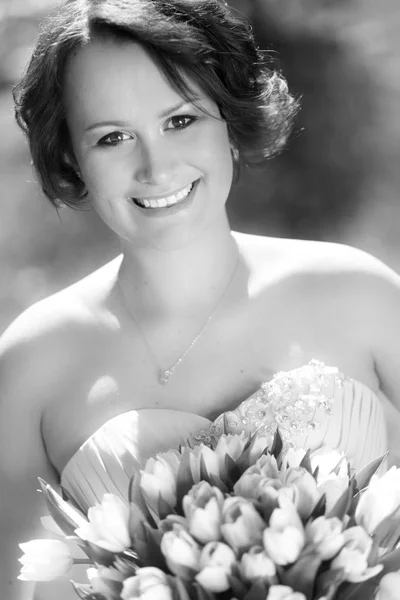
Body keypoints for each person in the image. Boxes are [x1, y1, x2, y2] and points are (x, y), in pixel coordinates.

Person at [2, 0, 400, 598]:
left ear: (230, 120)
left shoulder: (362, 294)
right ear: (71, 159)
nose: (156, 167)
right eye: (112, 138)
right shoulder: (32, 362)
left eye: (181, 121)